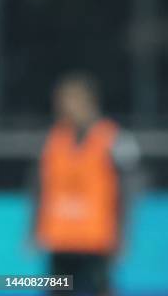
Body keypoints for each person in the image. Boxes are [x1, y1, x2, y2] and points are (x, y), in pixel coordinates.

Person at [32, 73, 139, 296]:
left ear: (89, 101)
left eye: (70, 100)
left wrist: (123, 233)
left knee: (100, 289)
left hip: (96, 239)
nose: (64, 108)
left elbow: (129, 188)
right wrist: (34, 228)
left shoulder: (114, 138)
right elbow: (39, 185)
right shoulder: (54, 139)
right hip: (61, 237)